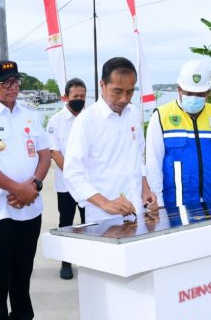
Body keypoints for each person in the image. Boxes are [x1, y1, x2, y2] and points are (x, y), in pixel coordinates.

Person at [0, 60, 51, 320]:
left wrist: (33, 186)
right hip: (0, 209)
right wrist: (17, 189)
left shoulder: (29, 113)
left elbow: (44, 154)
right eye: (5, 82)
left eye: (16, 81)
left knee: (23, 270)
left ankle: (22, 319)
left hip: (31, 206)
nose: (13, 87)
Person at [63, 56, 158, 223]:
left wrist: (145, 189)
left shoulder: (134, 114)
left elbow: (138, 157)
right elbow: (72, 174)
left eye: (130, 91)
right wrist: (105, 203)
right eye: (117, 91)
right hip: (104, 217)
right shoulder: (86, 121)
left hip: (138, 210)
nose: (124, 99)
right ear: (102, 85)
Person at [145, 59, 211, 208]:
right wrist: (160, 204)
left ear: (208, 93)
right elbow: (153, 165)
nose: (194, 98)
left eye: (200, 94)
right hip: (175, 207)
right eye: (189, 93)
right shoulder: (161, 116)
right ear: (179, 89)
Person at [46, 78, 87, 280]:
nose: (79, 100)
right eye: (75, 96)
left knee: (91, 223)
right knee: (66, 222)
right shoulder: (56, 121)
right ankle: (66, 263)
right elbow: (54, 152)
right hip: (66, 185)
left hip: (89, 184)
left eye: (82, 96)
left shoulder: (89, 118)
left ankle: (90, 261)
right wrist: (73, 176)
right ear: (65, 97)